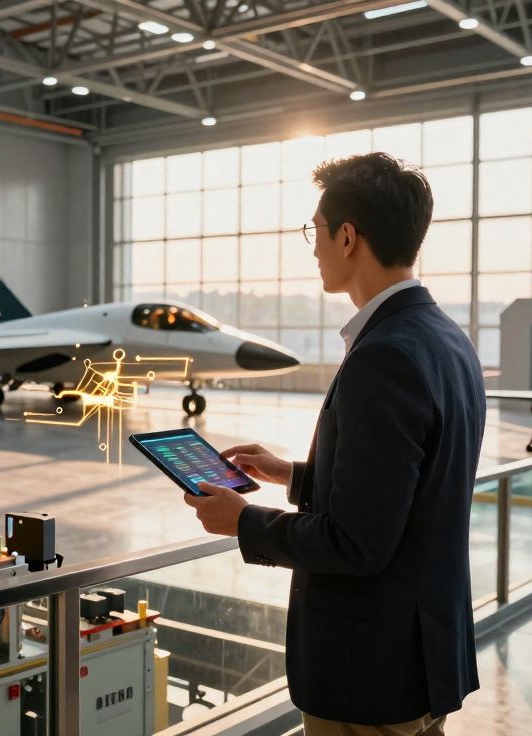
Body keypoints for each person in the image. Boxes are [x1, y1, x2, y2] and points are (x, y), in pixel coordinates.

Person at [183, 153, 485, 736]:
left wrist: (242, 521)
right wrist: (292, 475)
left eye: (315, 232)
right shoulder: (447, 339)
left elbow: (358, 543)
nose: (314, 247)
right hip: (421, 658)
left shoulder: (384, 357)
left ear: (348, 237)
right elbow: (407, 490)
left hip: (368, 675)